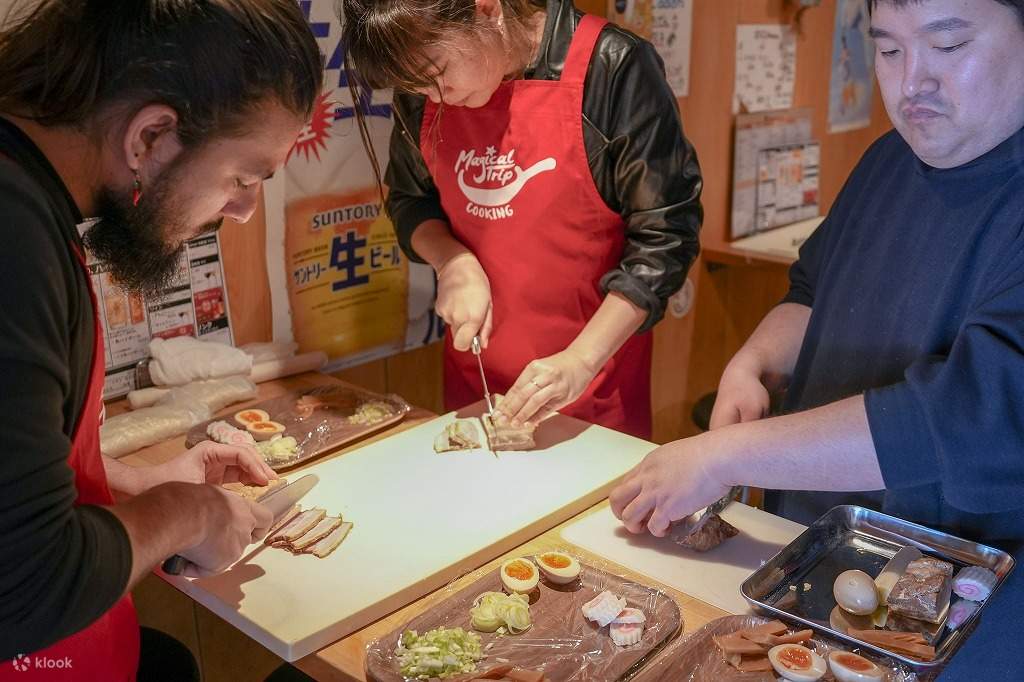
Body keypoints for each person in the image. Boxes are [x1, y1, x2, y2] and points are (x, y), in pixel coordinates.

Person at [610, 0, 1024, 676]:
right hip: (809, 561)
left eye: (947, 46)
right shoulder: (888, 159)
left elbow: (965, 417)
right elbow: (813, 291)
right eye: (889, 50)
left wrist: (726, 456)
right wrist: (755, 361)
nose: (911, 80)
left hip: (957, 621)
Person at [0, 1, 322, 679]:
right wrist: (186, 511)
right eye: (241, 178)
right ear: (149, 138)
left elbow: (23, 465)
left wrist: (140, 484)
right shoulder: (10, 238)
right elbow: (26, 586)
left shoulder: (31, 195)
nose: (240, 212)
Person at [341, 0, 702, 439]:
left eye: (438, 75)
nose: (434, 98)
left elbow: (667, 235)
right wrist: (452, 261)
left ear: (486, 10)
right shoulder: (428, 86)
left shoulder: (612, 67)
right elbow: (409, 200)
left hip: (591, 383)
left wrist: (581, 361)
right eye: (419, 88)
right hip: (474, 381)